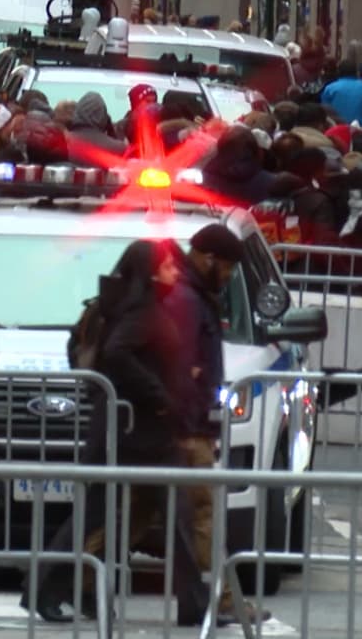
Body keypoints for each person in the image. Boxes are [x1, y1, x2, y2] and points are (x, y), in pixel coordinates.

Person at [28, 239, 209, 627]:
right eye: (167, 266)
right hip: (138, 430)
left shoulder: (117, 305)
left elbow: (99, 352)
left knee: (129, 514)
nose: (174, 272)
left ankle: (193, 602)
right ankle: (45, 590)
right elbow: (116, 353)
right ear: (150, 272)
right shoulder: (140, 311)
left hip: (127, 428)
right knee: (138, 516)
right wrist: (158, 395)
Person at [162, 227, 269, 625]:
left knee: (135, 515)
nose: (227, 276)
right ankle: (221, 600)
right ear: (207, 258)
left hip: (185, 425)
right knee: (203, 514)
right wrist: (193, 413)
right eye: (226, 268)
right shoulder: (188, 299)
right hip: (186, 428)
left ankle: (65, 580)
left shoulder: (193, 294)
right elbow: (180, 363)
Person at [321, 59, 362, 126]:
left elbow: (324, 114)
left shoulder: (330, 89)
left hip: (336, 128)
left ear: (338, 72)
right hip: (361, 129)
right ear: (357, 72)